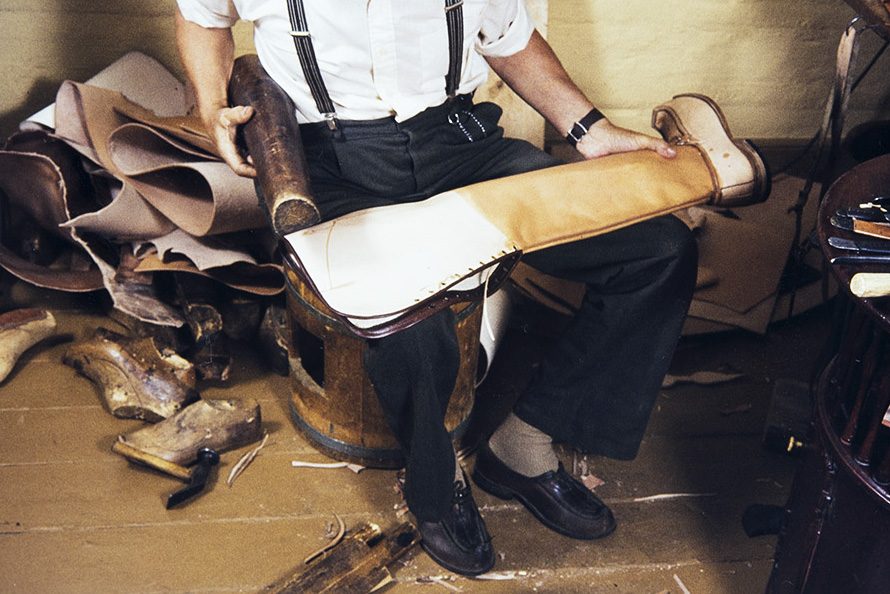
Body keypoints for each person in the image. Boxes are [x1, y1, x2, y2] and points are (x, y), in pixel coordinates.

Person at [175, 0, 698, 576]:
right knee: (409, 315)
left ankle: (523, 446)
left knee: (659, 250)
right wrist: (209, 109)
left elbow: (508, 36)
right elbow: (201, 15)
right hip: (330, 160)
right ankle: (435, 482)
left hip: (462, 143)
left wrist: (588, 129)